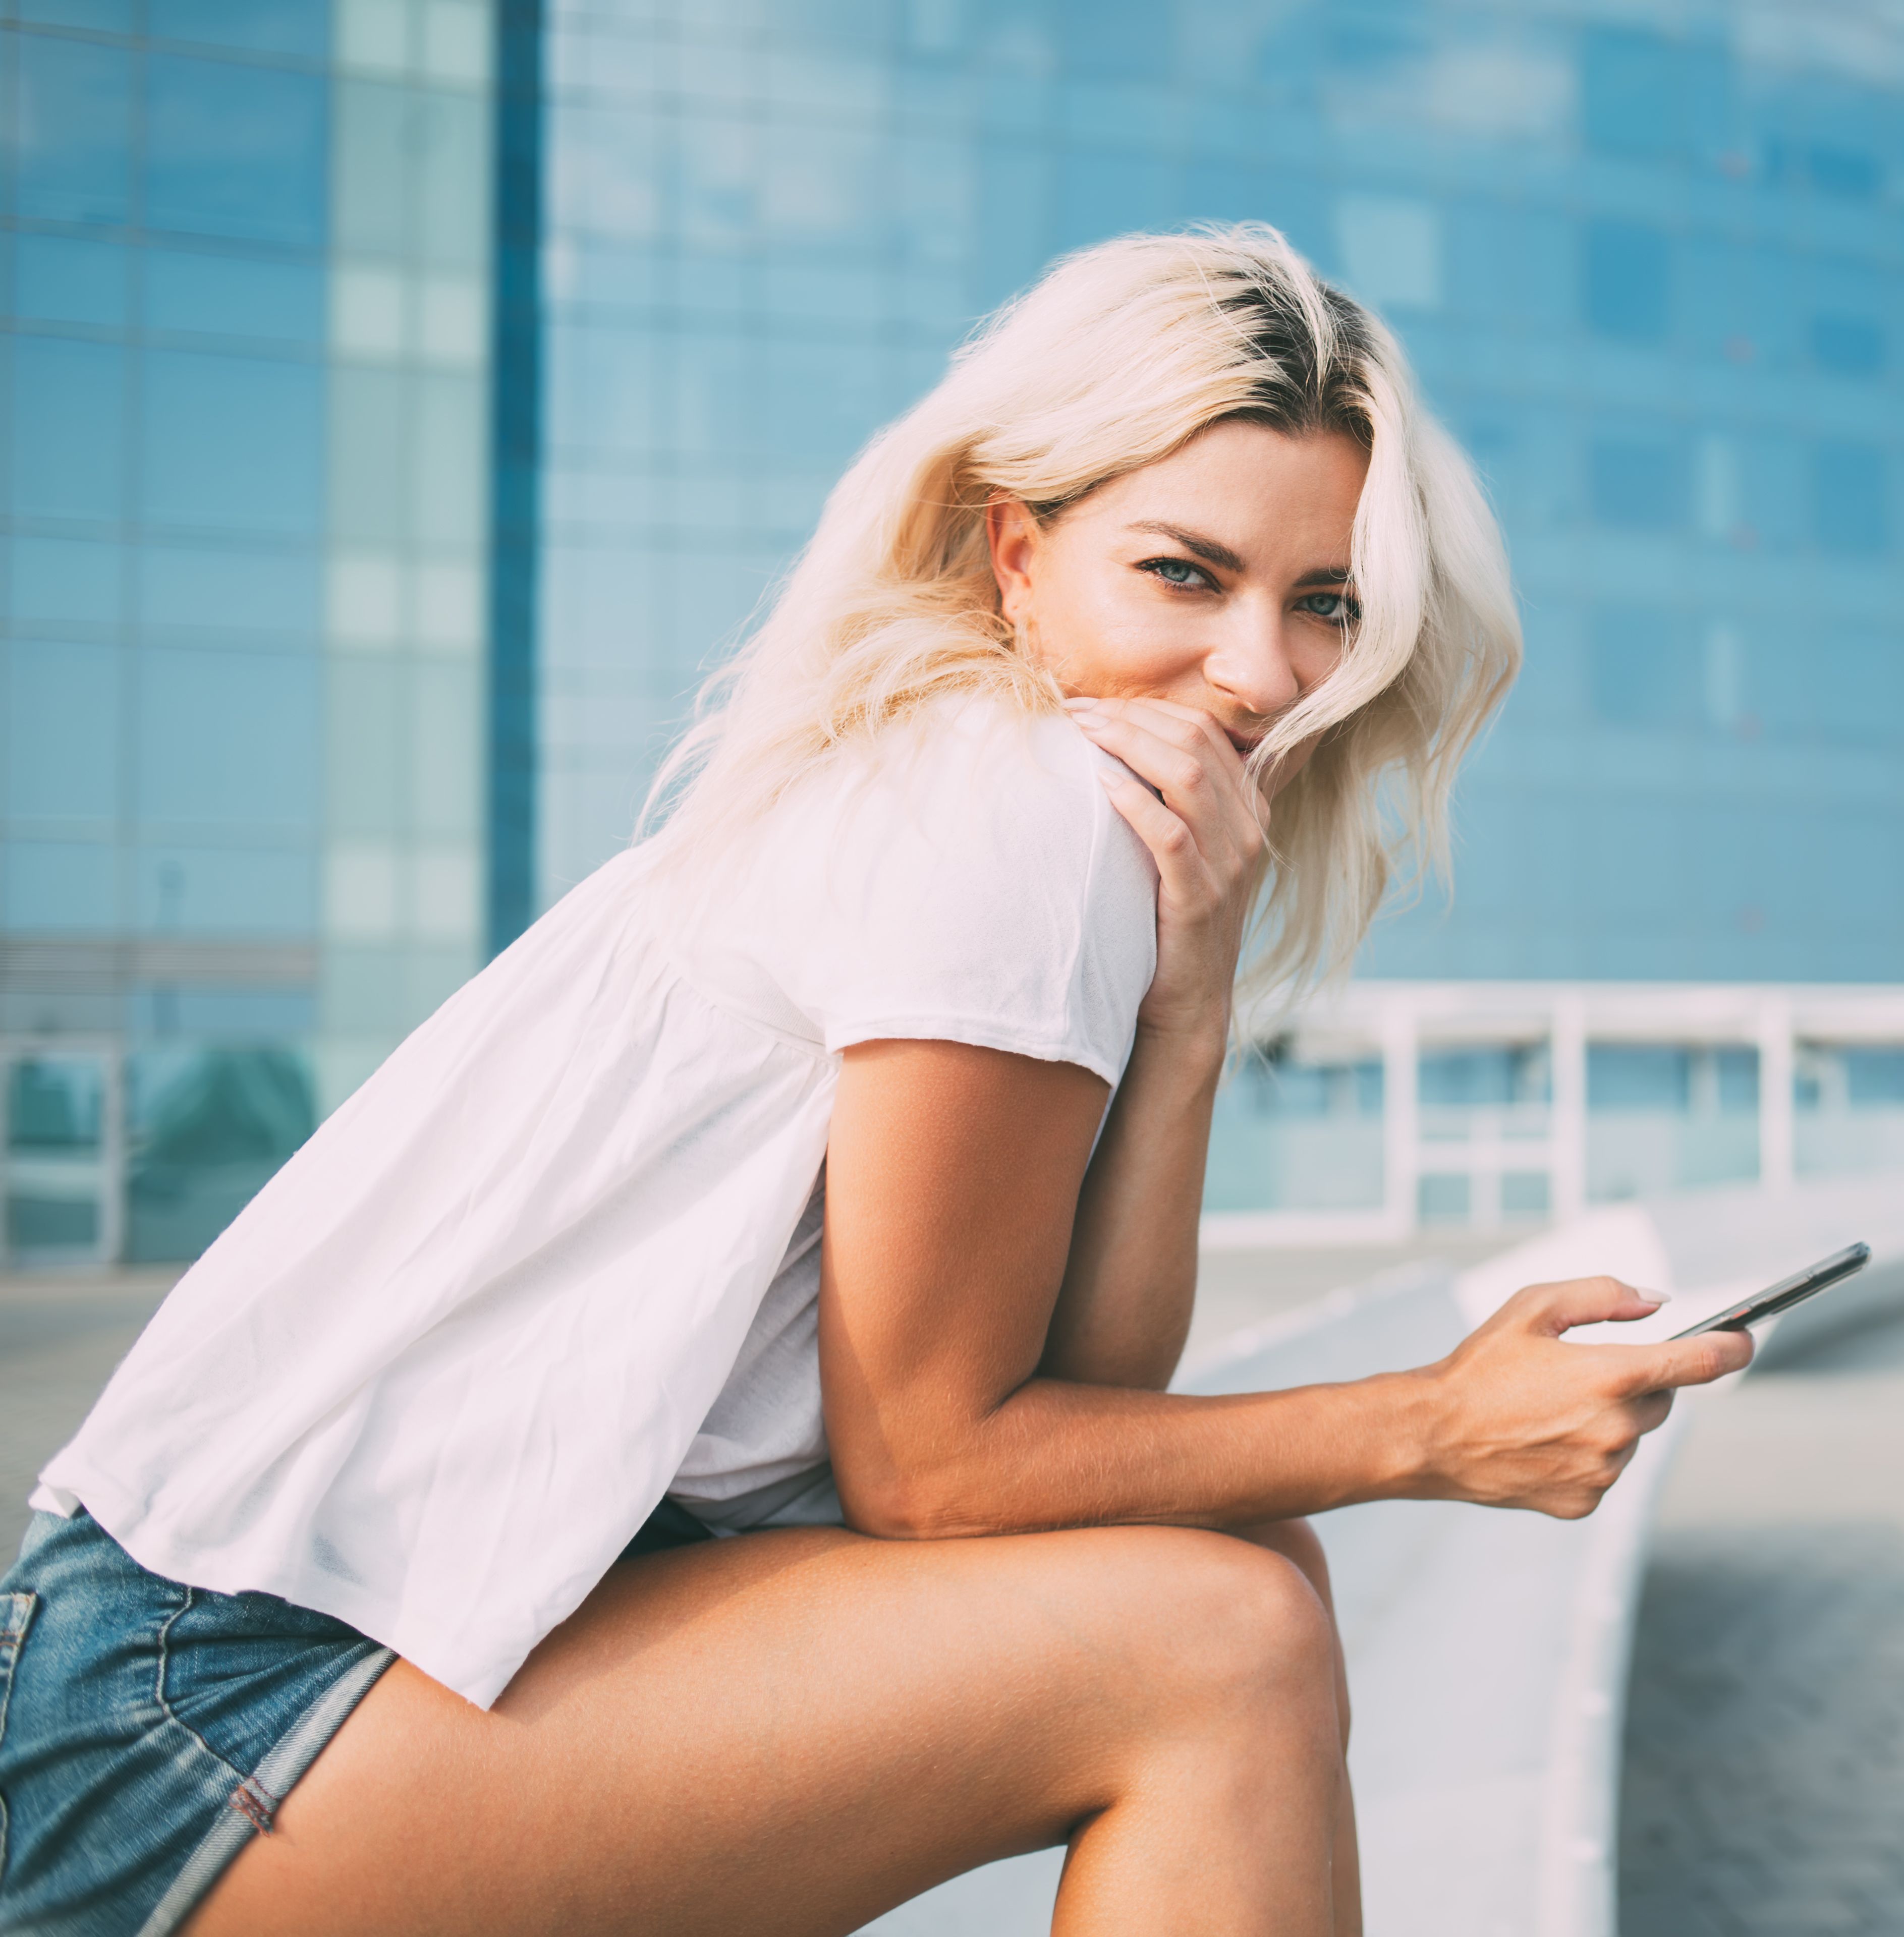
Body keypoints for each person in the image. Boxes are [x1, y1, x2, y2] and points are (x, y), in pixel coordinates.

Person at [0, 228, 1753, 1937]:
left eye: (1322, 605)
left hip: (297, 1666)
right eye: (1186, 574)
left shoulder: (1044, 827)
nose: (1267, 674)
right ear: (1016, 556)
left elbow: (1089, 1406)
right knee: (1222, 1645)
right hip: (206, 1703)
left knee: (1246, 1575)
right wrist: (1427, 1426)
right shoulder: (1005, 813)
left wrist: (1193, 1012)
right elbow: (934, 1467)